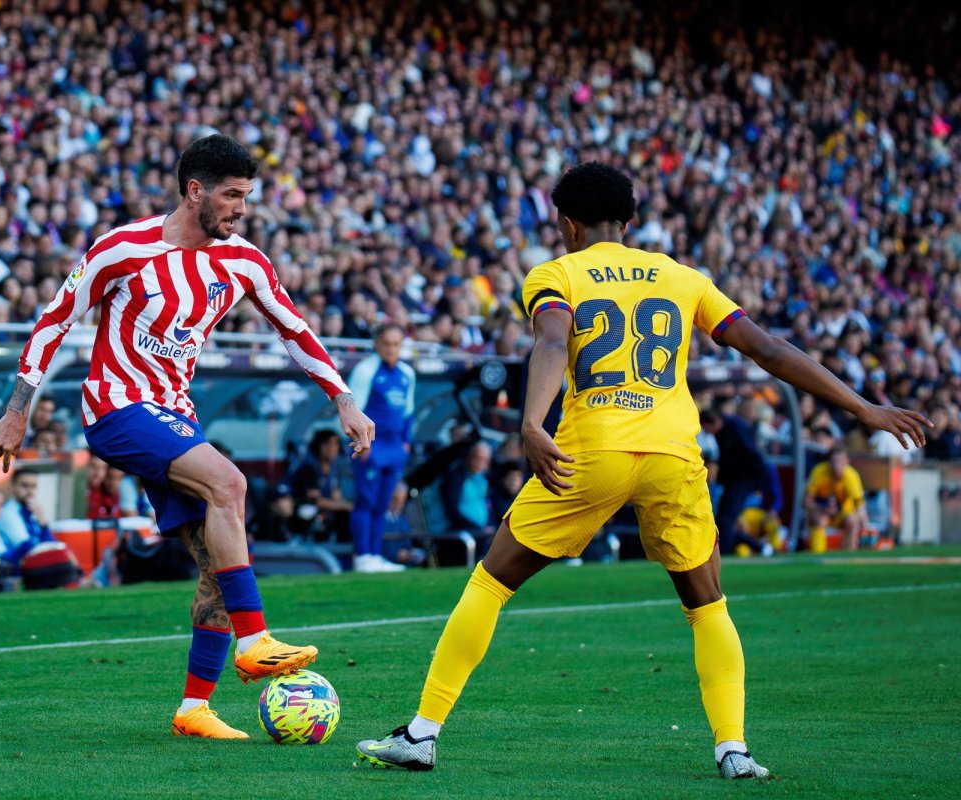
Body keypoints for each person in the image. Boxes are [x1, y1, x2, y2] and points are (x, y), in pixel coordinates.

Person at [357, 162, 929, 779]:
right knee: (707, 605)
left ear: (567, 223)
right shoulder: (682, 277)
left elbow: (552, 341)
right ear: (628, 222)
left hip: (591, 450)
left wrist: (531, 424)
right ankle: (733, 749)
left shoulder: (557, 273)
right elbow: (769, 349)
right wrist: (864, 407)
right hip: (671, 455)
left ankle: (421, 734)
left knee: (491, 583)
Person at [0, 134, 374, 739]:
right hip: (116, 409)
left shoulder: (244, 261)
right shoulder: (122, 249)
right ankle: (254, 640)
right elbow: (54, 320)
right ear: (194, 191)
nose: (242, 209)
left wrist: (343, 398)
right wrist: (18, 408)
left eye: (246, 196)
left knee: (213, 566)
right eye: (231, 195)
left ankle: (194, 708)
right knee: (230, 482)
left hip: (175, 414)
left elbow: (295, 330)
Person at [348, 323, 415, 573]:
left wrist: (406, 443)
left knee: (383, 502)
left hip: (394, 447)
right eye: (387, 344)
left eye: (396, 344)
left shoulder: (407, 373)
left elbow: (408, 412)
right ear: (377, 343)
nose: (391, 349)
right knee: (366, 500)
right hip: (371, 446)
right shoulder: (366, 370)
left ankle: (374, 554)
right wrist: (361, 443)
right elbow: (352, 409)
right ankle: (362, 555)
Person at [699, 408, 774, 556]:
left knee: (725, 520)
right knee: (723, 520)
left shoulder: (736, 428)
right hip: (735, 480)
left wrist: (759, 483)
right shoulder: (724, 431)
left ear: (712, 423)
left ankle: (725, 553)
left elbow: (753, 454)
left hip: (744, 480)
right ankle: (759, 547)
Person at [289, 429, 355, 548]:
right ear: (319, 445)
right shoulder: (309, 467)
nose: (332, 448)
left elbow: (336, 496)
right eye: (328, 444)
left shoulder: (335, 469)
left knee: (346, 515)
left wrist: (345, 505)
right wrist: (345, 506)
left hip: (326, 511)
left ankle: (346, 551)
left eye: (335, 444)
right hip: (302, 512)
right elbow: (315, 500)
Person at [804, 446, 869, 552]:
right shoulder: (818, 472)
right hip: (822, 513)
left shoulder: (851, 476)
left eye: (841, 461)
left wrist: (865, 523)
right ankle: (818, 555)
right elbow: (806, 501)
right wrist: (821, 508)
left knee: (852, 521)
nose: (837, 465)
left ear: (847, 462)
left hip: (843, 514)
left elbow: (860, 503)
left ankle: (848, 555)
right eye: (834, 461)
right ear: (829, 462)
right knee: (820, 520)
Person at [441, 440, 494, 536]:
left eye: (484, 459)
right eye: (477, 457)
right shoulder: (456, 476)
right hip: (461, 532)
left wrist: (490, 524)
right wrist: (479, 529)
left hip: (481, 532)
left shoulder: (483, 479)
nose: (479, 462)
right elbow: (452, 511)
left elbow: (487, 504)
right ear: (469, 456)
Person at [0, 469, 57, 551]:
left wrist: (42, 522)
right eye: (25, 486)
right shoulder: (7, 513)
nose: (30, 491)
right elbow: (29, 549)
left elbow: (52, 545)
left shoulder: (31, 510)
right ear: (12, 486)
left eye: (33, 486)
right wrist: (43, 523)